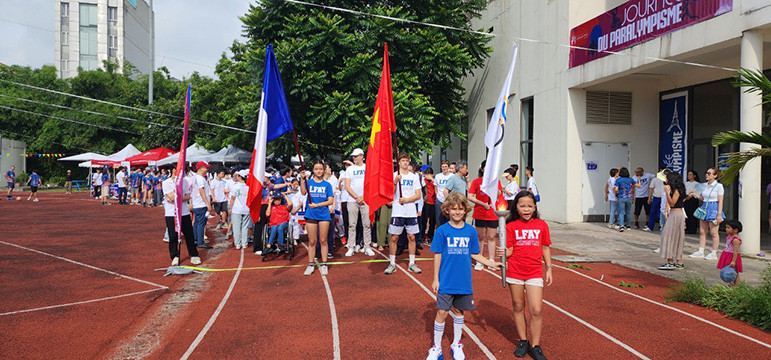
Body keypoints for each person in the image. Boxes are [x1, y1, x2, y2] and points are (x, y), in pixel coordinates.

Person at [426, 192, 502, 360]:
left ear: (465, 211)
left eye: (460, 209)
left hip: (463, 281)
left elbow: (475, 254)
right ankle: (437, 347)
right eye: (453, 209)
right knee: (442, 312)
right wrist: (436, 278)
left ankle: (456, 344)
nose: (457, 212)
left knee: (460, 312)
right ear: (447, 210)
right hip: (446, 280)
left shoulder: (470, 231)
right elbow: (437, 255)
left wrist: (492, 263)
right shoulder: (442, 231)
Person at [496, 191, 552, 360]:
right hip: (515, 271)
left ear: (535, 207)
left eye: (529, 206)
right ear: (516, 207)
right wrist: (504, 251)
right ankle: (523, 340)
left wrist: (549, 267)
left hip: (534, 271)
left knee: (536, 309)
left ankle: (535, 345)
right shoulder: (510, 226)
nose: (526, 209)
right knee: (518, 306)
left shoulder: (541, 224)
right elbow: (510, 250)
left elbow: (545, 247)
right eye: (522, 206)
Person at [383, 153, 423, 275]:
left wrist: (407, 200)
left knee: (412, 237)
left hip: (410, 211)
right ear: (399, 162)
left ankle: (411, 263)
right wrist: (395, 182)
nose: (405, 162)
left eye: (407, 161)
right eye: (403, 160)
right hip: (398, 211)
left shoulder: (414, 177)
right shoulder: (394, 176)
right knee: (394, 237)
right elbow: (390, 194)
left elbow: (418, 195)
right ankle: (392, 263)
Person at [300, 161, 334, 276]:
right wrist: (302, 179)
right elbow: (303, 192)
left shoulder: (327, 185)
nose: (318, 171)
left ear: (323, 170)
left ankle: (324, 264)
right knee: (312, 241)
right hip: (311, 214)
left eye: (320, 169)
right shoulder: (308, 182)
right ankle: (310, 264)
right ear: (313, 170)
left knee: (323, 240)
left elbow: (330, 201)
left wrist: (317, 205)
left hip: (323, 214)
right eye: (316, 169)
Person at [468, 160, 503, 271]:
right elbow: (470, 196)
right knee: (480, 237)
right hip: (480, 213)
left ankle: (491, 259)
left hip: (492, 214)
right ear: (482, 169)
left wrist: (493, 185)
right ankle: (479, 260)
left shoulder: (495, 181)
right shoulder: (476, 181)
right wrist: (482, 203)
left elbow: (499, 194)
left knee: (492, 237)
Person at [162, 168, 201, 266]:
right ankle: (174, 256)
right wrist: (175, 198)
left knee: (189, 235)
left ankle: (194, 255)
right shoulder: (167, 182)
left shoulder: (185, 181)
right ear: (173, 170)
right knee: (173, 236)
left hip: (184, 212)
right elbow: (171, 197)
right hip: (171, 213)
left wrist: (177, 199)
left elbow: (188, 196)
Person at [344, 148, 375, 256]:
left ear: (362, 156)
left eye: (356, 156)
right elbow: (347, 186)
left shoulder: (368, 168)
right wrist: (357, 197)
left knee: (367, 224)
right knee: (352, 224)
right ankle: (351, 246)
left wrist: (363, 197)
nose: (354, 157)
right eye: (353, 156)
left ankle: (367, 246)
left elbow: (371, 185)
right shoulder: (349, 170)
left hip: (366, 200)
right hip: (352, 200)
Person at [689, 167, 725, 260]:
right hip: (704, 207)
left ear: (715, 175)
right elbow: (704, 198)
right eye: (706, 173)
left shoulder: (718, 186)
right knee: (702, 231)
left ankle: (714, 253)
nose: (706, 175)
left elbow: (720, 200)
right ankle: (700, 251)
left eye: (709, 173)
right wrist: (695, 195)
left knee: (713, 232)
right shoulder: (704, 185)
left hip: (714, 208)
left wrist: (719, 214)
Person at [657, 171, 686, 270]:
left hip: (676, 214)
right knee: (676, 237)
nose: (666, 180)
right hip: (676, 214)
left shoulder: (676, 190)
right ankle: (678, 261)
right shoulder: (677, 189)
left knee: (668, 236)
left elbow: (672, 203)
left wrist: (666, 192)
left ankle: (671, 262)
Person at [191, 162, 214, 249]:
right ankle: (200, 241)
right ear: (201, 168)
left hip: (197, 203)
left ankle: (196, 239)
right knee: (201, 223)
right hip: (201, 204)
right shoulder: (200, 179)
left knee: (197, 222)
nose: (207, 169)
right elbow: (202, 191)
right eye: (205, 167)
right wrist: (207, 203)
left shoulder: (196, 178)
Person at [228, 170, 251, 250]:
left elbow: (232, 198)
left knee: (236, 227)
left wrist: (230, 208)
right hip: (246, 209)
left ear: (240, 177)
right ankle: (244, 243)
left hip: (237, 209)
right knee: (245, 227)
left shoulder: (236, 186)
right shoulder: (249, 186)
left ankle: (237, 243)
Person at [717, 220, 743, 286]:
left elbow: (736, 251)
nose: (726, 229)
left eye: (728, 228)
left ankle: (736, 286)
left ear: (735, 230)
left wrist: (733, 261)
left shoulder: (735, 240)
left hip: (732, 256)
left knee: (735, 272)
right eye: (726, 227)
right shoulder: (729, 237)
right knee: (729, 270)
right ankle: (731, 283)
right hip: (727, 255)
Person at [421, 167, 437, 245]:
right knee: (424, 220)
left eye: (429, 175)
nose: (427, 177)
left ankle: (431, 236)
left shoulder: (435, 181)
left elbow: (439, 187)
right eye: (426, 175)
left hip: (434, 202)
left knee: (432, 221)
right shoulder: (424, 181)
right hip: (426, 202)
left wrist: (433, 179)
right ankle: (422, 236)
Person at [434, 161, 452, 226]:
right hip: (439, 200)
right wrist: (437, 197)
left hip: (449, 200)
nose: (444, 168)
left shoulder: (452, 176)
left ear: (448, 167)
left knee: (448, 218)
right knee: (439, 219)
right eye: (443, 167)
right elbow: (436, 188)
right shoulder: (438, 176)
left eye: (445, 167)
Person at [683, 170, 701, 234]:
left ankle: (692, 229)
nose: (689, 176)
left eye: (690, 174)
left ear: (694, 176)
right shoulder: (686, 183)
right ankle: (687, 228)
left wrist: (691, 196)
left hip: (693, 199)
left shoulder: (697, 184)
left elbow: (698, 192)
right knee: (686, 214)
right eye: (688, 174)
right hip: (686, 198)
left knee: (692, 214)